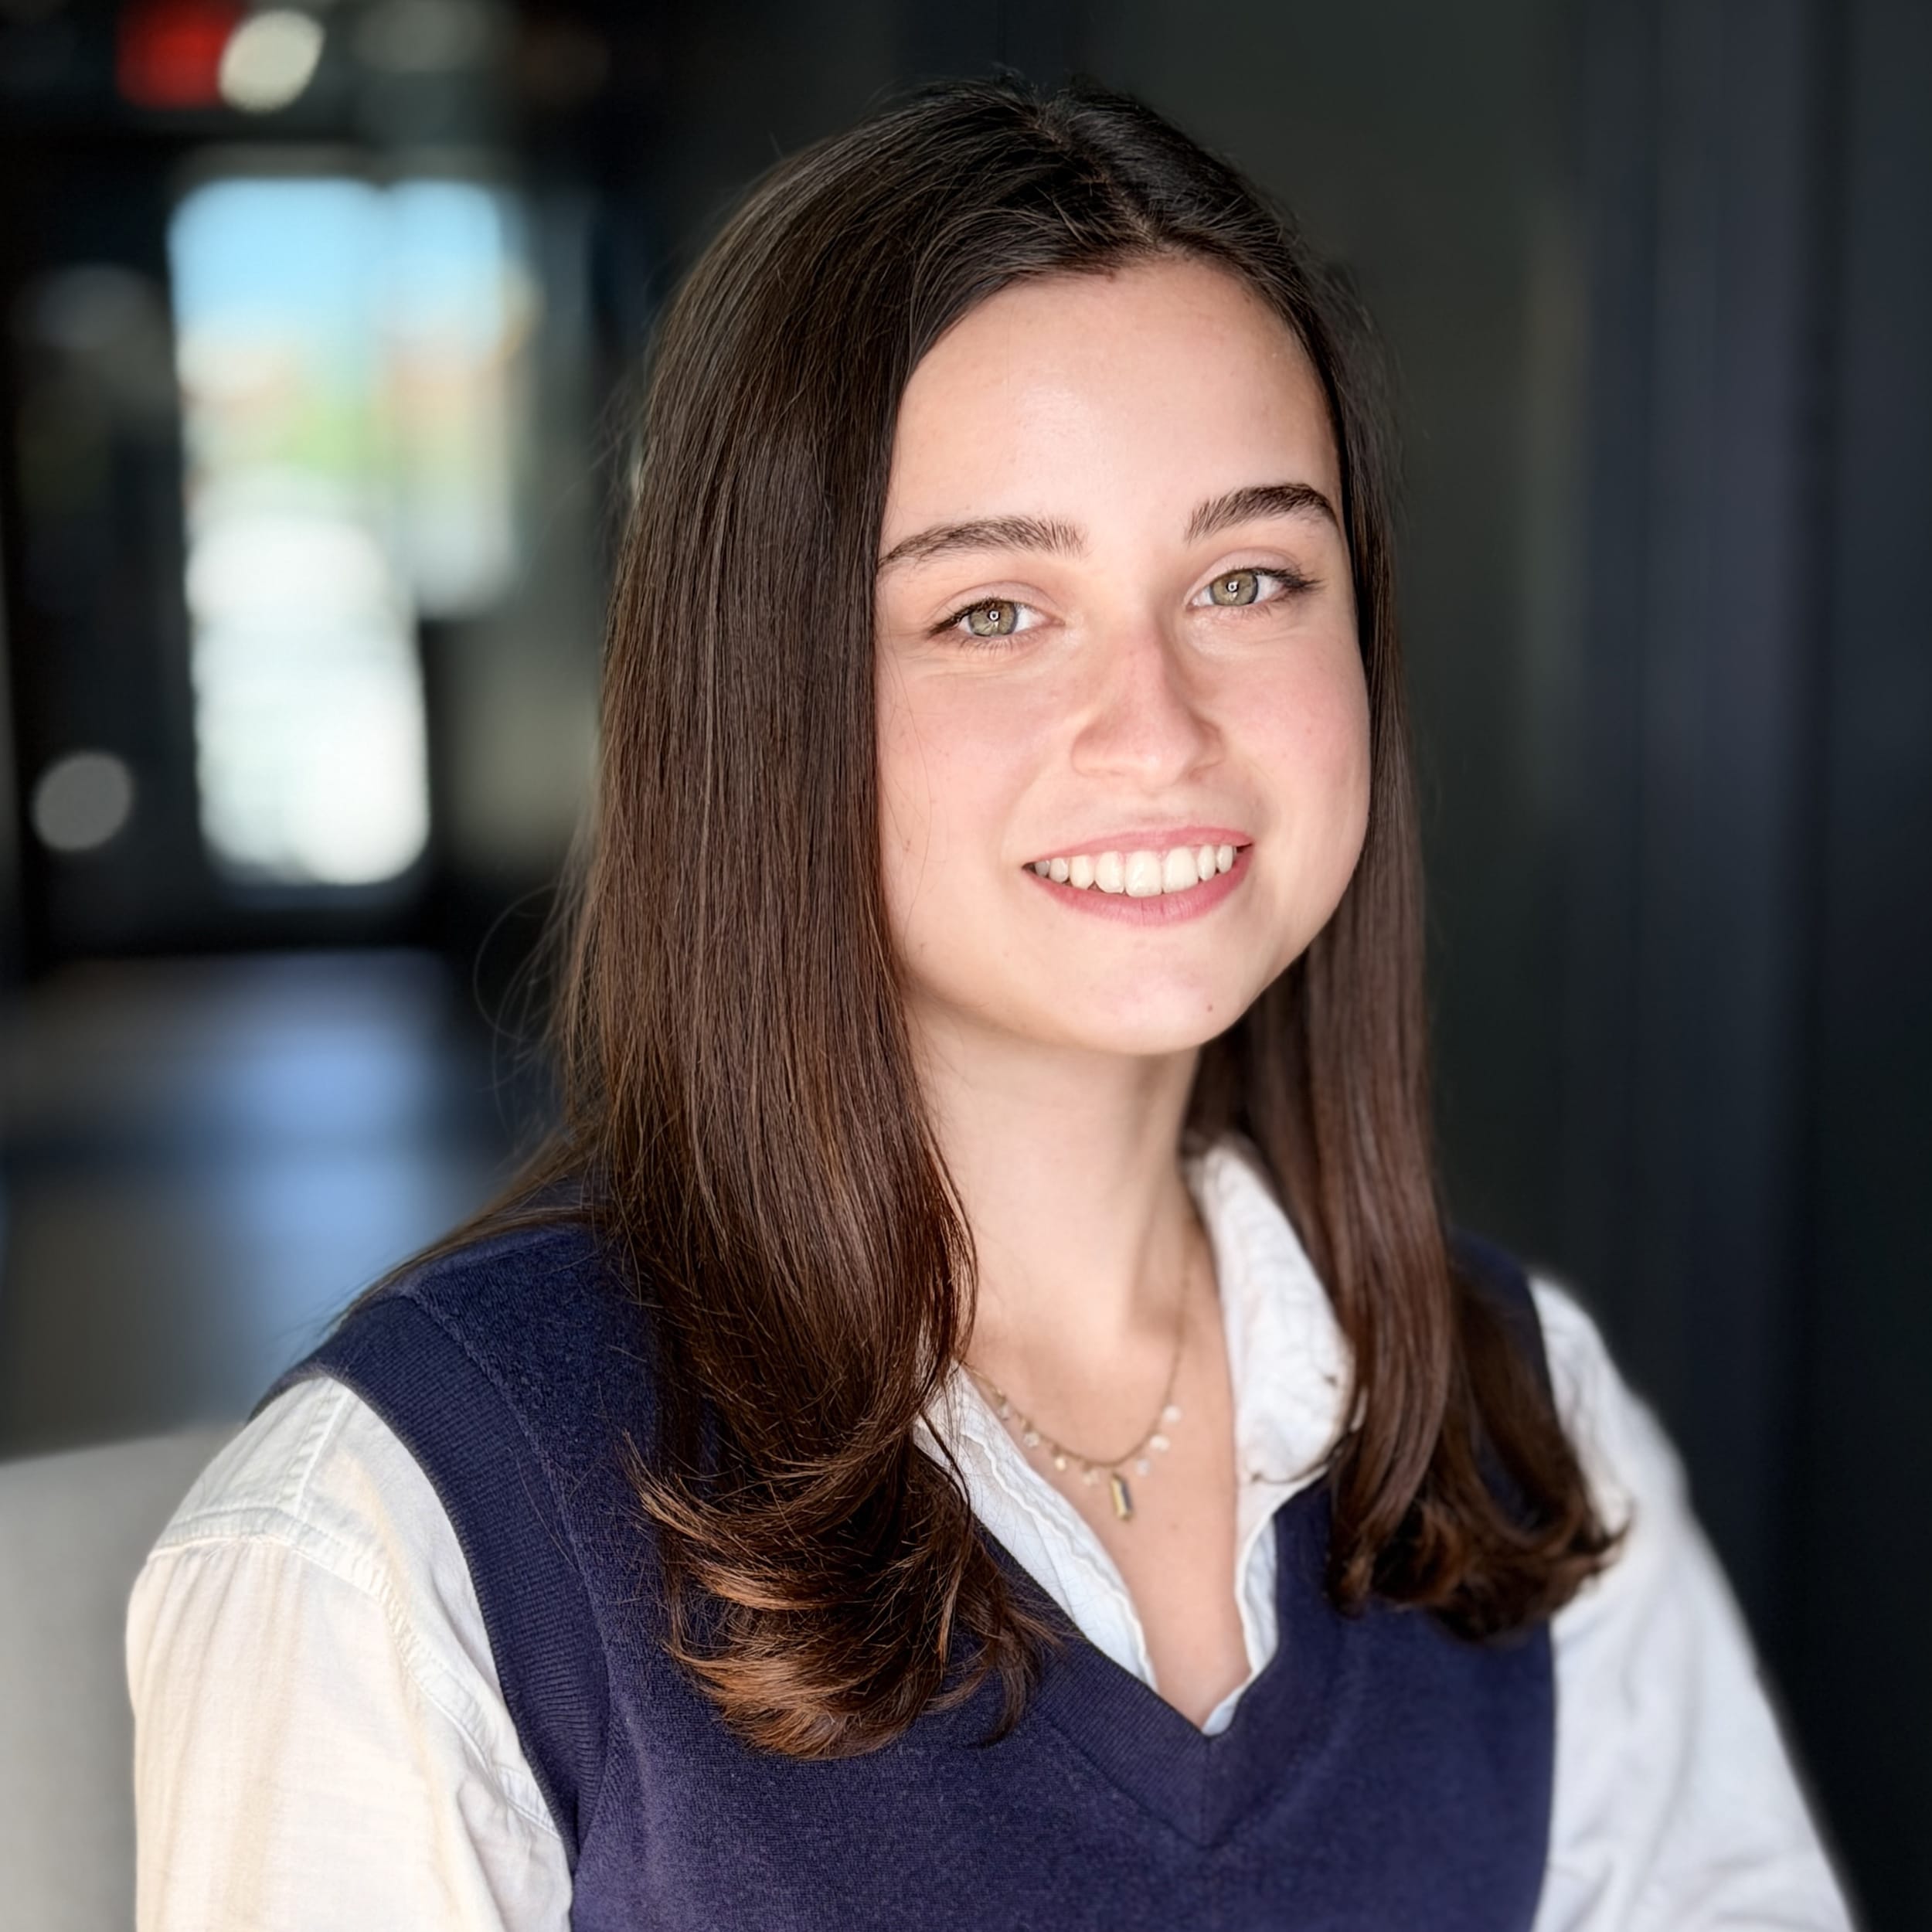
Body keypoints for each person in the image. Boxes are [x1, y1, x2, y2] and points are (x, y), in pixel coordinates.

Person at [128, 79, 1852, 1930]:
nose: (1159, 728)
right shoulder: (396, 1534)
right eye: (992, 611)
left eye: (1250, 577)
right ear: (762, 698)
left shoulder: (1522, 1414)